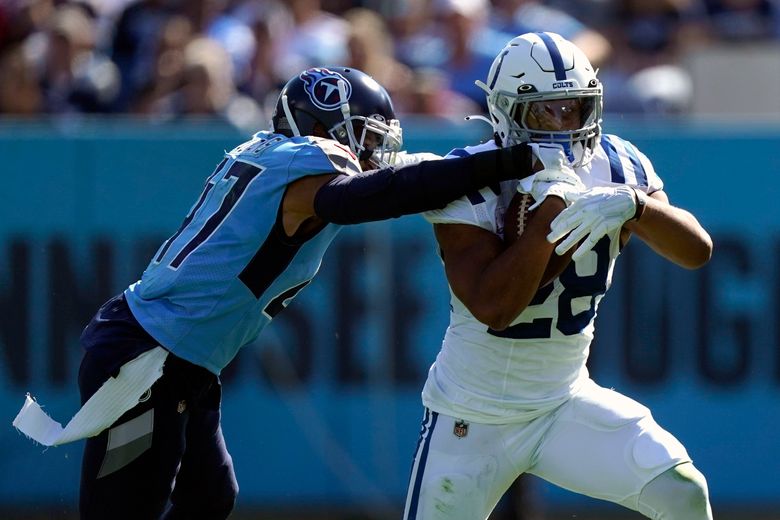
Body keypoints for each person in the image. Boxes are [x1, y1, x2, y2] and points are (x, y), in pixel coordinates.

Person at [12, 66, 542, 520]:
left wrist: (469, 163)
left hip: (175, 357)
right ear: (321, 125)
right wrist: (504, 163)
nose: (374, 152)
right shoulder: (307, 167)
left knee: (210, 495)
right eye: (365, 135)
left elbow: (400, 175)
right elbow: (363, 199)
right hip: (149, 359)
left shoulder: (270, 154)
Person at [403, 32, 714, 520]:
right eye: (544, 111)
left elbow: (697, 252)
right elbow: (497, 308)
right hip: (471, 415)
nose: (564, 125)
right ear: (505, 113)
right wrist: (552, 208)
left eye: (575, 108)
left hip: (563, 401)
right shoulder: (467, 177)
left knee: (682, 492)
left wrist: (637, 207)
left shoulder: (617, 165)